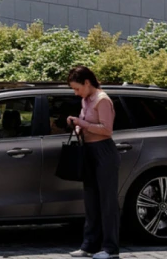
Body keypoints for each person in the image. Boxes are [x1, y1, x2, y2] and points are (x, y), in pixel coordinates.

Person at [66, 65, 120, 259]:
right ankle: (89, 245)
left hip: (104, 151)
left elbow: (107, 130)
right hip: (88, 151)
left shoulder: (102, 99)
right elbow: (84, 123)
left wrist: (83, 124)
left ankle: (110, 249)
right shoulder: (86, 100)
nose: (76, 92)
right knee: (91, 201)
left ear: (87, 83)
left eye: (77, 88)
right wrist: (77, 126)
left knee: (107, 201)